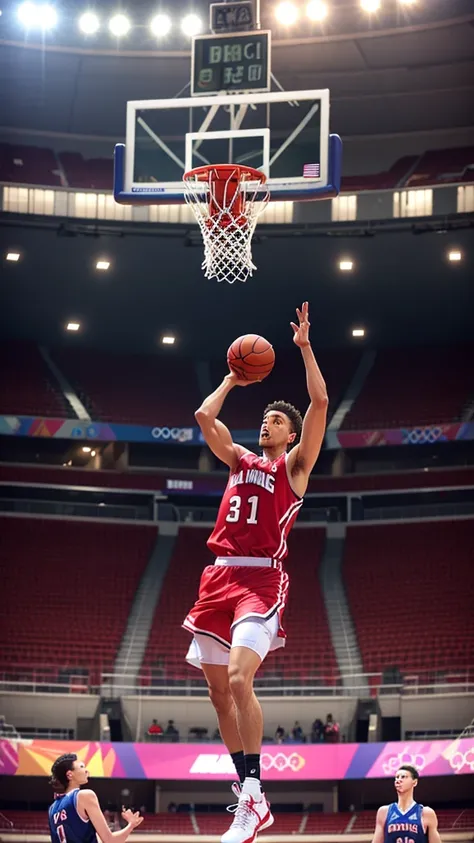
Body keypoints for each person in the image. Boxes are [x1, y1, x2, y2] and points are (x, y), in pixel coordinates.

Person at [183, 302, 328, 843]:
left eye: (277, 421)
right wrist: (231, 377)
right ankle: (252, 798)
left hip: (262, 579)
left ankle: (252, 791)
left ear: (290, 436)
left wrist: (305, 348)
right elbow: (203, 418)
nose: (268, 422)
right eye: (266, 417)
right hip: (216, 577)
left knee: (242, 679)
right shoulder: (240, 459)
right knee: (218, 695)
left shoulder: (293, 469)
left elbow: (319, 402)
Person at [48, 753, 143, 843]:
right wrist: (131, 825)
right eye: (82, 767)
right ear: (69, 774)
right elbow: (110, 840)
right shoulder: (85, 796)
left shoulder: (52, 808)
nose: (86, 770)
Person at [371, 765, 442, 843]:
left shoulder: (426, 813)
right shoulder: (384, 812)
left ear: (414, 782)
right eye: (397, 777)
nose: (399, 780)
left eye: (403, 777)